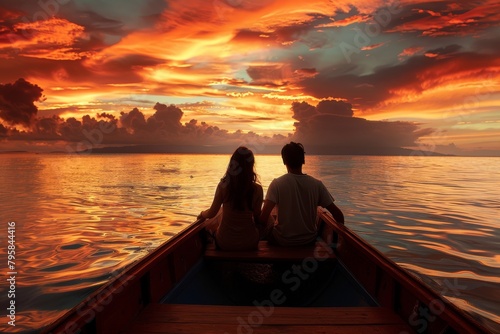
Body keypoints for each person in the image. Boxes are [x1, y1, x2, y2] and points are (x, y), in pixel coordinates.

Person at [260, 142, 344, 246]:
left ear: (284, 161)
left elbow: (263, 218)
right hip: (309, 241)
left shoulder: (277, 183)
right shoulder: (317, 184)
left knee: (268, 217)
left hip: (281, 240)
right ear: (303, 160)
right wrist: (336, 243)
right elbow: (339, 215)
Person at [197, 146, 264, 250]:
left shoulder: (223, 186)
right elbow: (257, 216)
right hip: (249, 243)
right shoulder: (257, 189)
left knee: (218, 217)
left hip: (225, 243)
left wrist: (202, 214)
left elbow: (211, 213)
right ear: (251, 166)